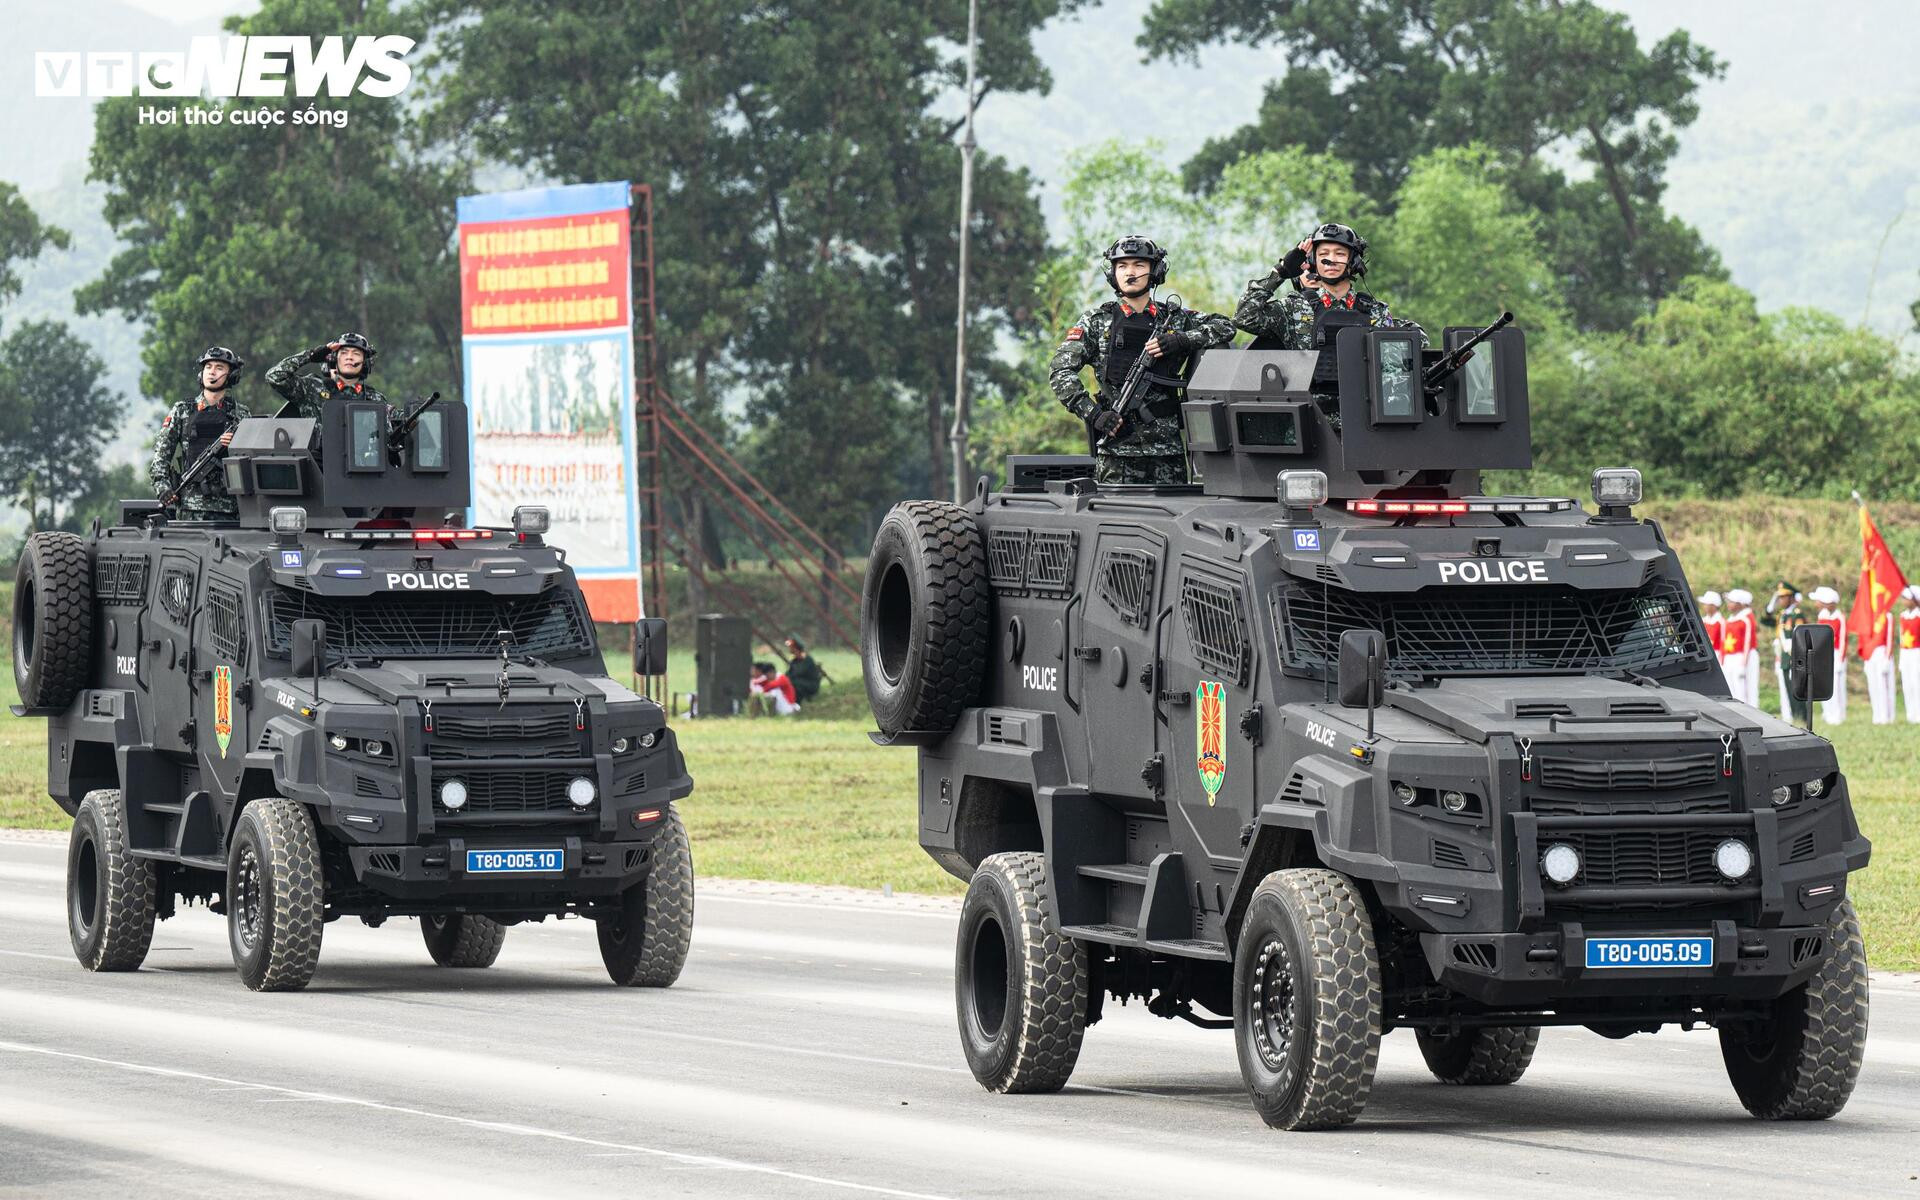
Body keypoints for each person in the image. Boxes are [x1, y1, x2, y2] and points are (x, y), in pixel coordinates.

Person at [1048, 235, 1235, 486]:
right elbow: (1060, 371)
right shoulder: (1096, 321)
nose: (1130, 273)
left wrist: (1182, 340)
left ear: (1155, 270)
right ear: (1112, 273)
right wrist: (1093, 414)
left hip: (1168, 452)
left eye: (1139, 265)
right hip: (1117, 453)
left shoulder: (1175, 318)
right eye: (1122, 266)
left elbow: (1225, 326)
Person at [1233, 223, 1424, 407]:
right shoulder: (1295, 308)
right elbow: (1243, 317)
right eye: (1323, 254)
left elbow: (1393, 367)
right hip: (1309, 422)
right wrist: (1281, 272)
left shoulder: (1376, 312)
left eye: (1339, 254)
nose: (1330, 260)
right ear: (1313, 261)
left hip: (1363, 422)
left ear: (1354, 261)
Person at [150, 346, 251, 518]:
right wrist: (163, 488)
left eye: (219, 368)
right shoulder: (182, 411)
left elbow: (252, 458)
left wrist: (235, 444)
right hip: (191, 510)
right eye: (208, 367)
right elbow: (161, 456)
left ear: (231, 376)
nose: (212, 372)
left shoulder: (241, 414)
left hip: (231, 510)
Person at [265, 331, 390, 420]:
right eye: (344, 353)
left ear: (365, 362)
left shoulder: (375, 399)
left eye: (356, 353)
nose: (349, 357)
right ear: (334, 359)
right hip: (317, 457)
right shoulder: (312, 389)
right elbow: (274, 376)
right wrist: (311, 356)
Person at [1764, 582, 1812, 725]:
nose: (1781, 600)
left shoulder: (1797, 614)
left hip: (1794, 656)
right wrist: (1770, 607)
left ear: (1791, 598)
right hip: (1785, 657)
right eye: (1779, 597)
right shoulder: (1783, 615)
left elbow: (1801, 637)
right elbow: (1766, 620)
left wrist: (1796, 656)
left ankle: (1802, 717)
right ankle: (1795, 716)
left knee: (1797, 689)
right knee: (1789, 689)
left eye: (1783, 597)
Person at [1811, 586, 1848, 725]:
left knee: (1837, 686)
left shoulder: (1840, 618)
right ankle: (1827, 712)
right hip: (1823, 654)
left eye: (1818, 601)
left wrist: (1840, 659)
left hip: (1836, 653)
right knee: (1824, 684)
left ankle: (1838, 714)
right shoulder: (1822, 616)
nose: (1816, 604)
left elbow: (1843, 639)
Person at [1863, 599, 1899, 725]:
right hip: (1871, 653)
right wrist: (1865, 657)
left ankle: (1887, 716)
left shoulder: (1887, 616)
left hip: (1882, 652)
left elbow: (1890, 638)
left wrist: (1887, 657)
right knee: (1874, 685)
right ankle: (1877, 715)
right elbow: (1864, 637)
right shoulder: (1868, 617)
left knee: (1884, 686)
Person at [1721, 589, 1758, 705]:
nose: (1728, 604)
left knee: (1744, 687)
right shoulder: (1730, 619)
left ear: (1740, 604)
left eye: (1732, 602)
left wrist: (1743, 663)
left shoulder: (1746, 618)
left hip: (1741, 655)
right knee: (1732, 687)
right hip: (1730, 656)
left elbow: (1747, 643)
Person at [1900, 585, 1920, 724]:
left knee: (1916, 683)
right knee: (1907, 684)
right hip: (1905, 652)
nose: (1904, 601)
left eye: (1906, 598)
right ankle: (1910, 714)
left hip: (1916, 651)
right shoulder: (1903, 616)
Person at [783, 637, 823, 704]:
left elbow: (798, 672)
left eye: (791, 647)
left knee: (794, 682)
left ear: (796, 648)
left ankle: (797, 703)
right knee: (789, 682)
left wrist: (788, 678)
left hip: (811, 684)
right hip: (801, 682)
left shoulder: (807, 660)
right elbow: (788, 674)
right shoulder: (795, 661)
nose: (790, 650)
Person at [1699, 591, 1726, 688]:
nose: (1704, 606)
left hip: (1717, 654)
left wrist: (1722, 661)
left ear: (1714, 606)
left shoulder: (1720, 622)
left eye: (1707, 604)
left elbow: (1723, 642)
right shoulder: (1703, 620)